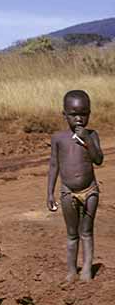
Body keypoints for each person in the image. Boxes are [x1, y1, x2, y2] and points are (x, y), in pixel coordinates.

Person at [47, 90, 104, 282]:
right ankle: (71, 270)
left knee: (86, 232)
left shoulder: (92, 134)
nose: (79, 119)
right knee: (72, 234)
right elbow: (54, 165)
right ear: (65, 115)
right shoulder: (58, 138)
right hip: (68, 192)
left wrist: (88, 141)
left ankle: (87, 269)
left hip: (90, 191)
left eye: (84, 114)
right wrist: (49, 193)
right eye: (74, 114)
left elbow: (98, 160)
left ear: (89, 113)